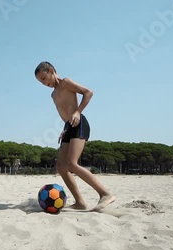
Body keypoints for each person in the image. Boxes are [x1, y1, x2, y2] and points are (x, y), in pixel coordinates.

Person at [34, 61, 116, 212]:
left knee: (72, 164)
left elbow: (88, 92)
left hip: (79, 124)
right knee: (61, 166)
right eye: (41, 82)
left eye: (44, 78)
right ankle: (80, 202)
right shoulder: (53, 94)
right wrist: (65, 129)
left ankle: (105, 194)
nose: (44, 83)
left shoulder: (65, 82)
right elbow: (64, 114)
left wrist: (78, 111)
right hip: (68, 127)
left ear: (51, 70)